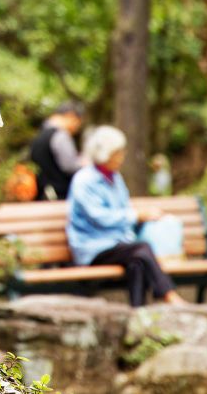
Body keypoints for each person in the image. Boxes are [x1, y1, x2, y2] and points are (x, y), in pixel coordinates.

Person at [66, 125, 185, 307]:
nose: (122, 156)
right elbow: (99, 217)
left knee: (136, 263)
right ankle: (169, 295)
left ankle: (137, 315)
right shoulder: (84, 180)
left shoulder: (115, 178)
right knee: (141, 248)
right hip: (92, 248)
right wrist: (137, 216)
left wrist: (147, 216)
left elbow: (123, 207)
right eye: (118, 152)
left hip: (117, 244)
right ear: (105, 153)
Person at [31, 102, 85, 200]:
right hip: (59, 195)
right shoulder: (61, 136)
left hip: (42, 193)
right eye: (77, 123)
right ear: (71, 116)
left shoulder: (40, 135)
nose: (76, 128)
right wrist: (83, 163)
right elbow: (69, 166)